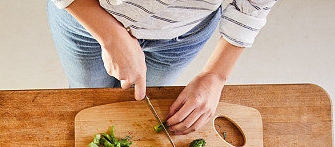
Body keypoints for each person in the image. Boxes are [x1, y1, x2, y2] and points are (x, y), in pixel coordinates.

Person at [48, 0, 278, 134]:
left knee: (141, 111)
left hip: (182, 35)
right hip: (86, 18)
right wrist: (110, 36)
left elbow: (255, 5)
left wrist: (215, 76)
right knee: (86, 96)